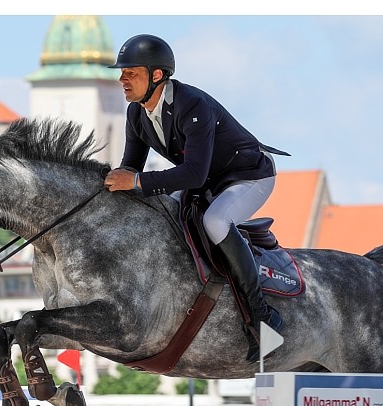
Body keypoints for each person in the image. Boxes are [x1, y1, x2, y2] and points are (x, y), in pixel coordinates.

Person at [103, 34, 288, 363]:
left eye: (131, 73)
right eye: (122, 73)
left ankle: (263, 318)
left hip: (248, 176)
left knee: (215, 221)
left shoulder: (193, 105)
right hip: (209, 181)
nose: (122, 79)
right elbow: (131, 168)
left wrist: (134, 181)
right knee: (164, 214)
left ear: (156, 75)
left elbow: (192, 175)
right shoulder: (136, 114)